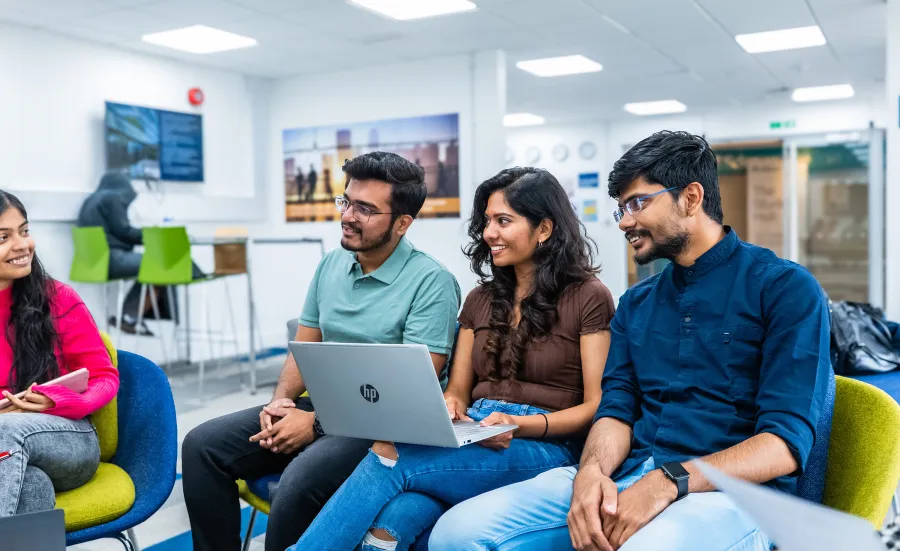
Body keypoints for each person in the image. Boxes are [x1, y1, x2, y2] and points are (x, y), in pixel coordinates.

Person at [427, 131, 831, 551]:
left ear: (691, 198)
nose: (623, 221)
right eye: (621, 208)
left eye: (638, 203)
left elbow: (783, 445)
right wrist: (591, 473)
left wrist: (669, 480)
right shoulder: (637, 304)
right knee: (455, 535)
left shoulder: (784, 289)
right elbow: (616, 410)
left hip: (733, 496)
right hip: (630, 475)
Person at [293, 167, 615, 551]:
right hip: (476, 434)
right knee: (391, 526)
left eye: (503, 221)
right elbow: (458, 390)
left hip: (547, 447)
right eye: (487, 221)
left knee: (391, 453)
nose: (489, 232)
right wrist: (451, 410)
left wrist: (519, 424)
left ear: (544, 228)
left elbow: (596, 406)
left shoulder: (589, 296)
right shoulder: (480, 299)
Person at [181, 151, 461, 551]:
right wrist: (281, 403)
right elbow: (304, 345)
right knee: (202, 446)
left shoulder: (432, 282)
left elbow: (407, 393)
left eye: (365, 209)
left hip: (386, 425)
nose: (347, 215)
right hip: (327, 407)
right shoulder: (332, 264)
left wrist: (313, 425)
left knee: (299, 480)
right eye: (346, 201)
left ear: (402, 223)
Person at [0, 190, 120, 517]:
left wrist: (60, 401)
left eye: (24, 231)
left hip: (68, 438)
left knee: (4, 431)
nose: (23, 245)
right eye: (3, 237)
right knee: (32, 485)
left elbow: (104, 378)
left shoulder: (58, 299)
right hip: (8, 452)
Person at [77, 171, 203, 334]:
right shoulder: (112, 199)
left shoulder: (91, 200)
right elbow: (124, 231)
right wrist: (153, 234)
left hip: (93, 262)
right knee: (163, 264)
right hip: (112, 259)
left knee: (155, 268)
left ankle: (130, 315)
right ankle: (129, 316)